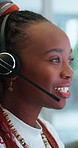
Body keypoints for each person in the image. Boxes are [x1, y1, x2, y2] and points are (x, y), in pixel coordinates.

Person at [0, 1, 74, 148]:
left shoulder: (48, 131)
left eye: (69, 60)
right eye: (55, 60)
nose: (69, 73)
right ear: (9, 65)